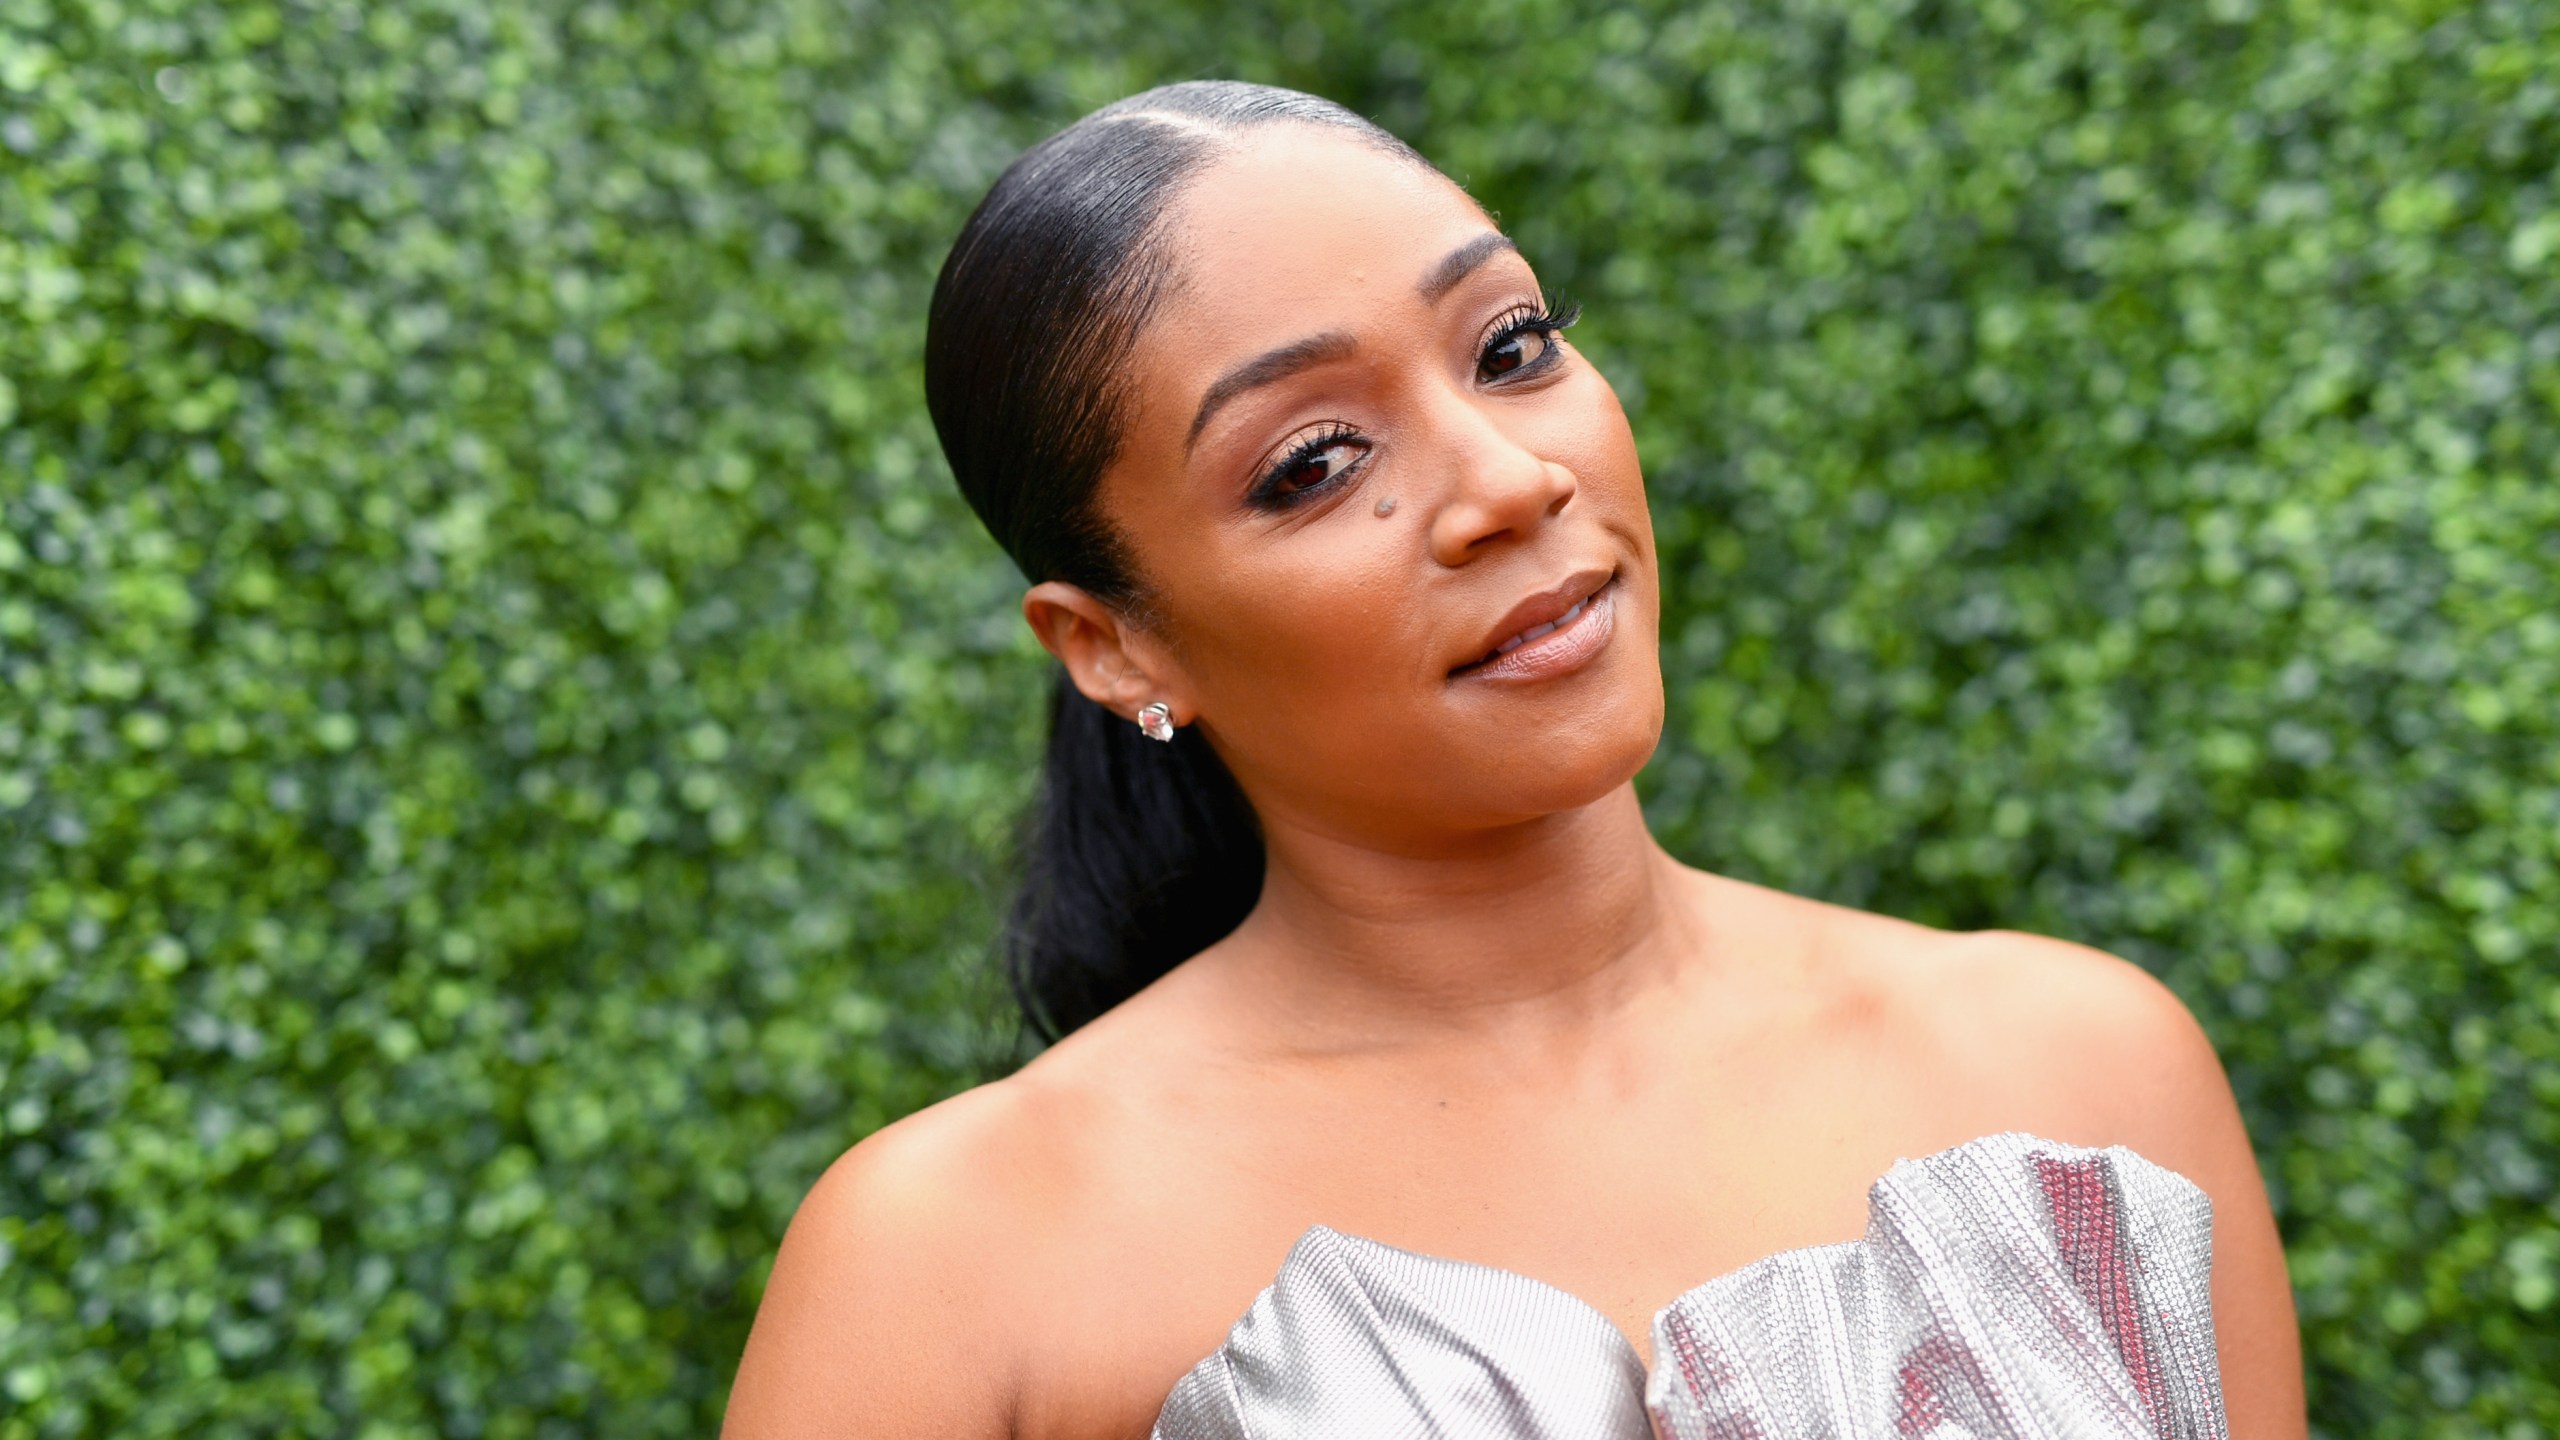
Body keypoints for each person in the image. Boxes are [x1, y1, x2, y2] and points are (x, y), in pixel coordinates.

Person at [721, 81, 2305, 1439]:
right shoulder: (951, 1266)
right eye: (1313, 464)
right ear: (1115, 645)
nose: (1507, 477)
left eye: (1512, 346)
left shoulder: (2088, 1074)